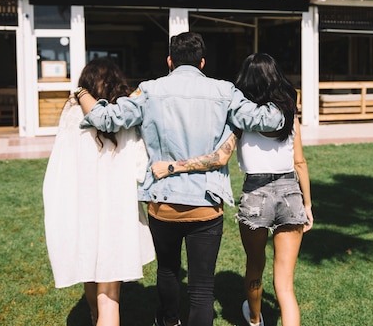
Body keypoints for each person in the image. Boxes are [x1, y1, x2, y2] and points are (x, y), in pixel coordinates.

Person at [76, 32, 285, 326]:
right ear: (202, 62)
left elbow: (106, 119)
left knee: (168, 271)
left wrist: (82, 93)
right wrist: (281, 97)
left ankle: (169, 320)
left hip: (163, 202)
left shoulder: (148, 91)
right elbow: (269, 120)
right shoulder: (224, 92)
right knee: (202, 289)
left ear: (170, 61)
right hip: (206, 203)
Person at [151, 53, 313, 326]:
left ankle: (253, 319)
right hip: (290, 193)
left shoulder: (240, 120)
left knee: (254, 265)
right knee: (285, 286)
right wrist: (307, 205)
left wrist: (174, 167)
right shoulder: (288, 115)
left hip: (256, 195)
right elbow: (300, 163)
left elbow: (220, 157)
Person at [42, 57, 154, 326]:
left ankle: (94, 317)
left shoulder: (71, 112)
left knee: (89, 270)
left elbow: (60, 161)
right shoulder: (124, 114)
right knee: (110, 295)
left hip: (79, 204)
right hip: (116, 208)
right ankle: (101, 316)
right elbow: (140, 167)